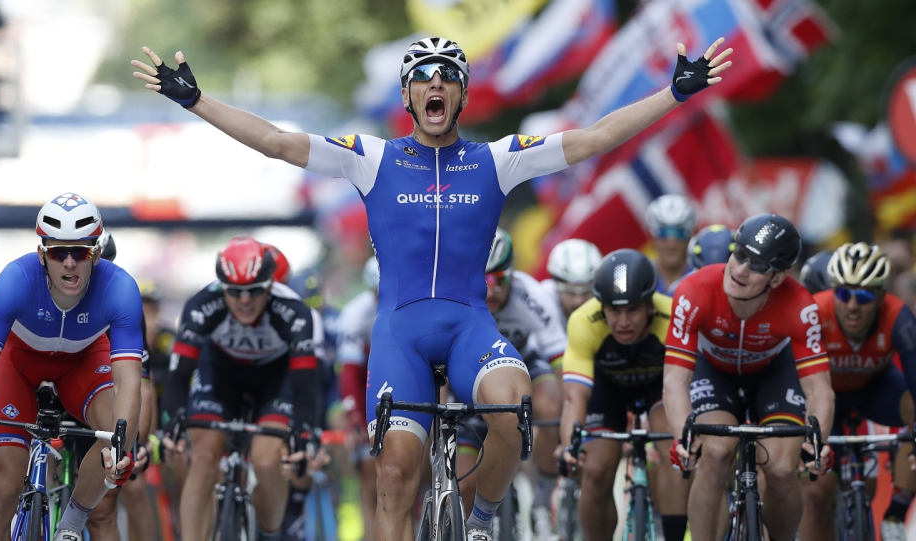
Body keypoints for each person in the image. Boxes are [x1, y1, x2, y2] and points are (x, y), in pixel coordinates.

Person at [132, 34, 733, 541]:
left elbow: (595, 138)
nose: (435, 86)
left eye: (447, 78)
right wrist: (196, 101)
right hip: (401, 332)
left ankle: (483, 519)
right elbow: (279, 143)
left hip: (470, 324)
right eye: (423, 78)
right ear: (408, 96)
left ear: (462, 94)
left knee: (513, 400)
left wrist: (676, 92)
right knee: (395, 472)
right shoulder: (371, 157)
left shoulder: (499, 159)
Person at [0, 193, 143, 541]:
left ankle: (70, 524)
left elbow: (129, 381)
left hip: (83, 362)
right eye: (58, 252)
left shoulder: (121, 288)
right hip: (18, 365)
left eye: (80, 252)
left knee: (118, 439)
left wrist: (123, 446)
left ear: (97, 253)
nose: (69, 263)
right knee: (2, 491)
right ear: (43, 254)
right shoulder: (16, 279)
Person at [664, 213, 835, 541]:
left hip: (773, 372)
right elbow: (675, 380)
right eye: (739, 255)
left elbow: (820, 390)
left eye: (757, 265)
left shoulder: (800, 305)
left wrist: (817, 441)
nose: (740, 270)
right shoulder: (694, 289)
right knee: (714, 452)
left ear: (777, 278)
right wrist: (682, 436)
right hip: (714, 371)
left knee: (783, 470)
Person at [158, 236, 320, 541]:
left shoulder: (295, 312)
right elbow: (179, 376)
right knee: (204, 455)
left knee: (267, 460)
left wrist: (304, 433)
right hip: (221, 375)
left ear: (270, 286)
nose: (245, 300)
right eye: (235, 292)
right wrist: (170, 424)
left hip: (274, 380)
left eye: (254, 291)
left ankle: (268, 530)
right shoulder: (201, 306)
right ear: (221, 286)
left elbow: (305, 385)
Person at [558, 249, 689, 541]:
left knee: (674, 450)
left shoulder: (672, 315)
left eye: (633, 310)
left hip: (660, 385)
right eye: (614, 311)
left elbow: (681, 386)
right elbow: (574, 397)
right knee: (595, 470)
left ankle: (675, 536)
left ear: (650, 306)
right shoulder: (583, 321)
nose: (623, 321)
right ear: (601, 307)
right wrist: (570, 446)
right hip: (608, 390)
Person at [798, 242, 916, 541]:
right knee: (816, 494)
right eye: (844, 293)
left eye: (862, 296)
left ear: (879, 297)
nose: (852, 305)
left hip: (875, 390)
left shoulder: (898, 317)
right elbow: (789, 378)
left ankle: (894, 517)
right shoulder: (814, 310)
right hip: (824, 399)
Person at [478, 228, 565, 536]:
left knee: (551, 403)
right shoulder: (460, 297)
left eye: (500, 279)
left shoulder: (530, 294)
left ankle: (543, 490)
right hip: (476, 373)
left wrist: (569, 411)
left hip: (527, 365)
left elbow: (560, 357)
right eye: (483, 280)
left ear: (513, 274)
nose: (492, 290)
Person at [81, 230, 159, 541]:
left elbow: (142, 386)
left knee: (112, 501)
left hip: (108, 405)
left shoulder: (124, 303)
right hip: (65, 397)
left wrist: (138, 443)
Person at [336, 256, 380, 541]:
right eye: (378, 293)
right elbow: (350, 375)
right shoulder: (356, 314)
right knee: (368, 468)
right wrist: (355, 419)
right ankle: (369, 529)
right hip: (367, 390)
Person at [541, 238, 602, 329]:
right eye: (570, 292)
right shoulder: (541, 298)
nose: (579, 301)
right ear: (555, 286)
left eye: (586, 291)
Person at [646, 194, 696, 294]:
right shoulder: (641, 278)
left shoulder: (700, 279)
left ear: (690, 237)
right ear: (652, 237)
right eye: (663, 233)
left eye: (679, 233)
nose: (671, 244)